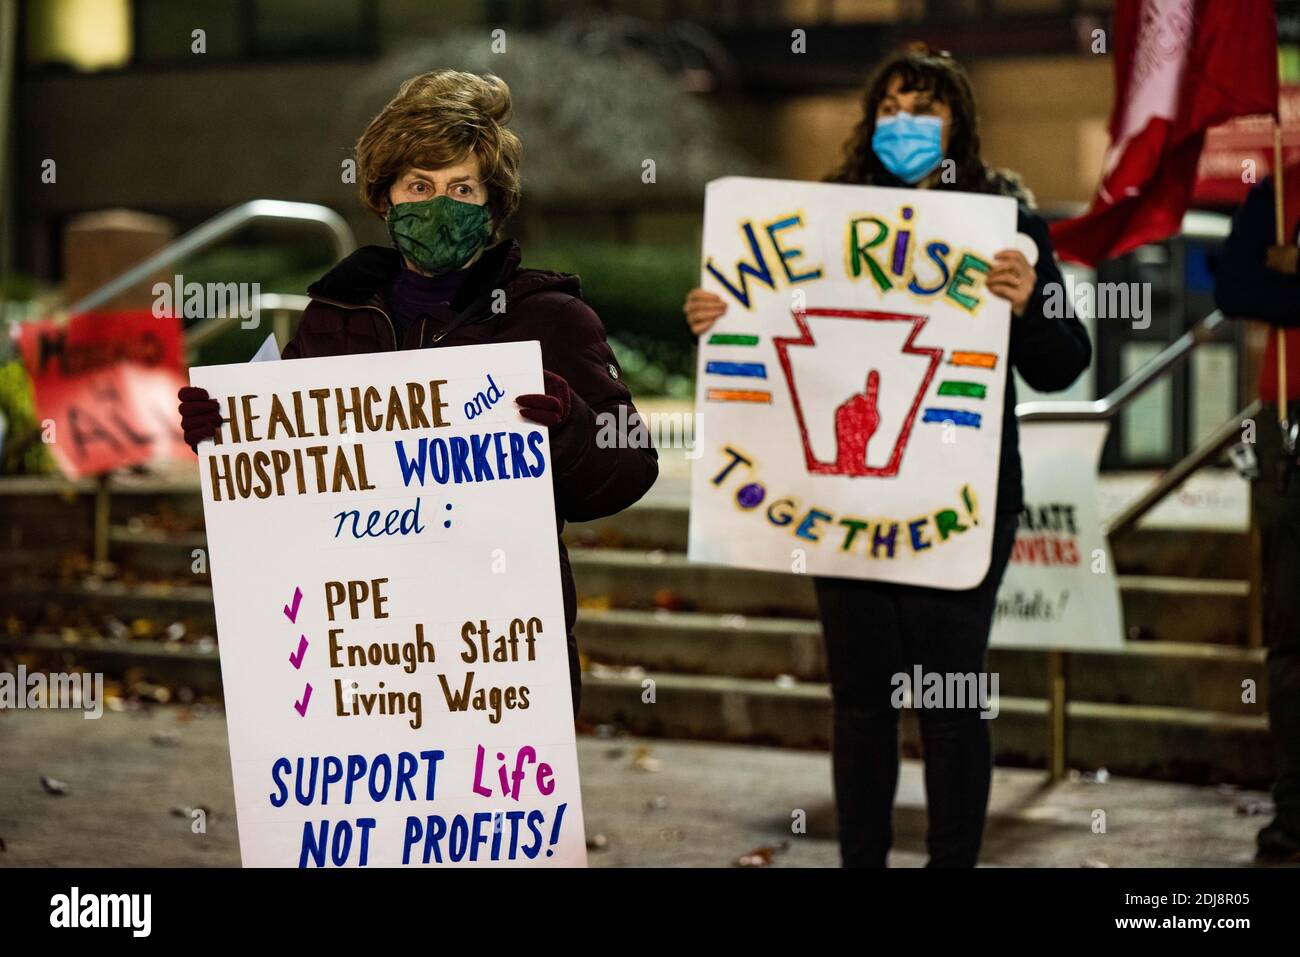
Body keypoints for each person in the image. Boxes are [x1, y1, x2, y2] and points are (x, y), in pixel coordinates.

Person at [683, 46, 1091, 867]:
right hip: (840, 503)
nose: (905, 124)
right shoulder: (811, 219)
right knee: (862, 699)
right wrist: (717, 316)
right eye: (892, 108)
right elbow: (768, 348)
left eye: (926, 109)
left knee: (950, 699)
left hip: (966, 502)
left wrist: (1029, 308)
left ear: (959, 127)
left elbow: (1063, 361)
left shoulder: (1007, 228)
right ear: (871, 123)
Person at [178, 70, 659, 714]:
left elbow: (629, 467)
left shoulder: (549, 318)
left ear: (491, 205)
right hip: (358, 648)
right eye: (419, 186)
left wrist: (570, 427)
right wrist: (224, 432)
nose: (439, 206)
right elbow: (289, 471)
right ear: (386, 197)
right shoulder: (334, 314)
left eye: (462, 188)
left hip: (497, 652)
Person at [1215, 170, 1300, 862]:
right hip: (1288, 429)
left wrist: (1290, 285)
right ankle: (1296, 809)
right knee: (1292, 635)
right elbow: (1234, 288)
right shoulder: (1275, 194)